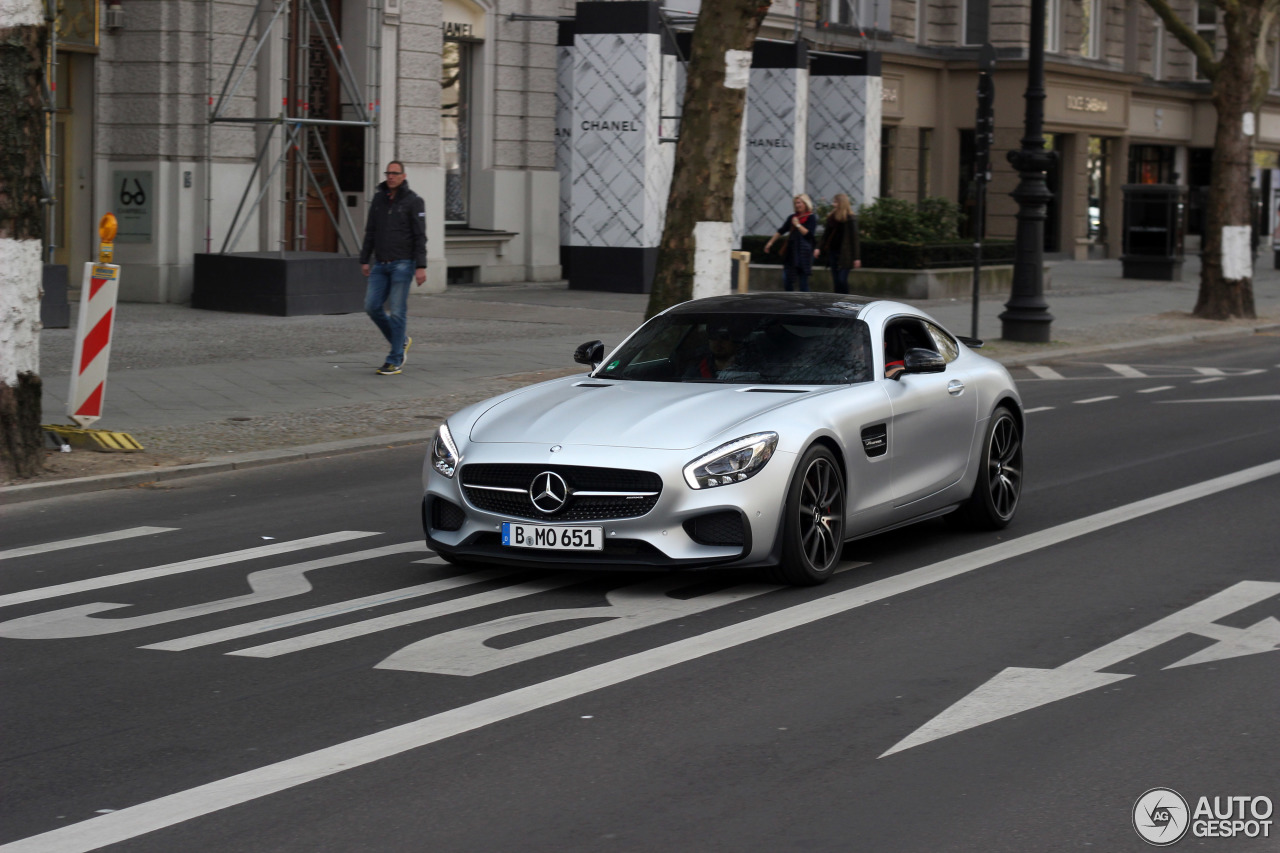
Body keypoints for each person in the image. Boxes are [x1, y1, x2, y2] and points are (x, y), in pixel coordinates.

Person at [360, 160, 427, 376]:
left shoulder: (414, 201)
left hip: (403, 263)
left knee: (397, 312)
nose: (390, 177)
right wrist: (364, 259)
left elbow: (419, 236)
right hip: (380, 263)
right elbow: (370, 231)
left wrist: (421, 266)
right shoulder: (379, 199)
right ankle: (402, 342)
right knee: (371, 306)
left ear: (403, 176)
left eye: (395, 173)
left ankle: (395, 359)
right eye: (388, 173)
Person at [763, 194, 817, 292]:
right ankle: (791, 300)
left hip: (805, 253)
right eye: (795, 203)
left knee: (803, 282)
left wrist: (798, 225)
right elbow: (781, 230)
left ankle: (806, 302)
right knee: (786, 279)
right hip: (791, 252)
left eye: (799, 202)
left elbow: (809, 235)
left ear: (805, 203)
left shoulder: (811, 217)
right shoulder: (792, 217)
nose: (797, 205)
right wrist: (770, 243)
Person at [817, 192, 861, 294]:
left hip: (846, 255)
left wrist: (857, 258)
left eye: (836, 202)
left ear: (841, 203)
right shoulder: (832, 218)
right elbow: (826, 235)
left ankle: (847, 300)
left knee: (842, 279)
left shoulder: (850, 219)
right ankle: (837, 303)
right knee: (836, 281)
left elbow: (855, 239)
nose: (833, 204)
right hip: (833, 252)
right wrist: (818, 247)